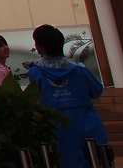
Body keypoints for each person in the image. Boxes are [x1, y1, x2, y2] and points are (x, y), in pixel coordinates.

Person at [28, 24, 108, 168]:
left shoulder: (36, 71)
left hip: (57, 126)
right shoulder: (78, 67)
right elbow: (96, 90)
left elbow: (34, 97)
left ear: (42, 47)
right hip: (87, 122)